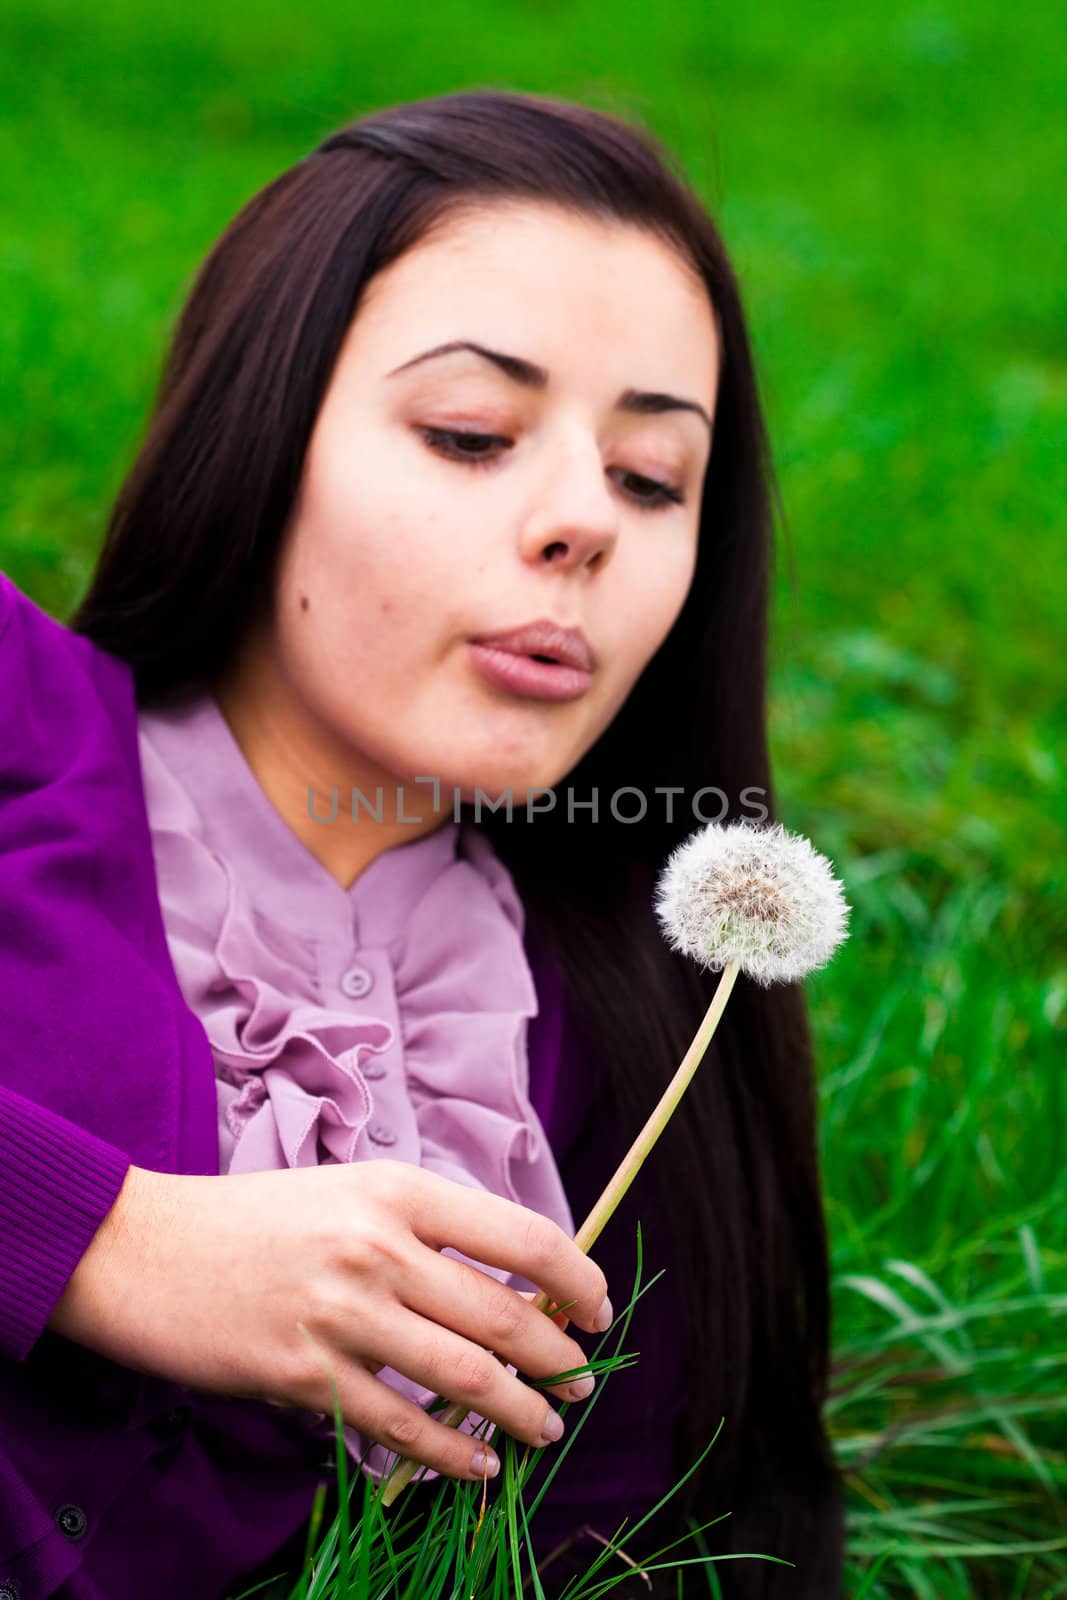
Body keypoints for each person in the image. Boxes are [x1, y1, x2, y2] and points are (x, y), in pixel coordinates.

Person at [0, 90, 845, 1597]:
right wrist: (105, 1240)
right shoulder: (17, 721)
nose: (585, 518)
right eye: (471, 433)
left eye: (656, 478)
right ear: (259, 427)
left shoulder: (644, 1046)